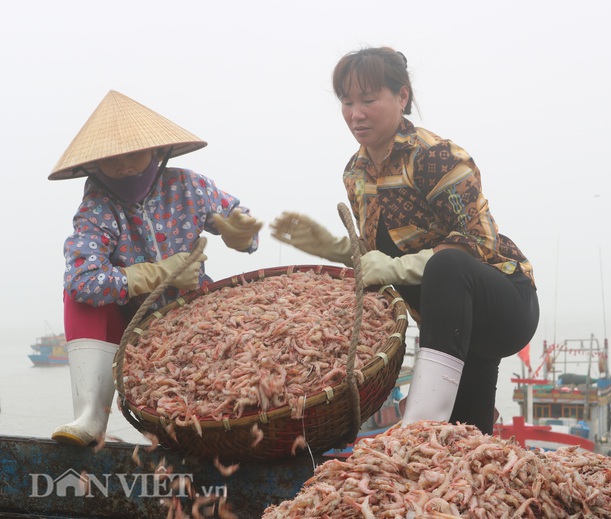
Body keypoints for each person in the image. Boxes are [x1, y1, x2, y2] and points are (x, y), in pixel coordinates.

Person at [270, 47, 539, 435]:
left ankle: (417, 429)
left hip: (503, 303)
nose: (355, 113)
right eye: (346, 102)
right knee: (466, 438)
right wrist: (335, 248)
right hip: (450, 326)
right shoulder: (355, 173)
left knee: (447, 266)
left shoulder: (435, 157)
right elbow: (376, 257)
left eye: (368, 99)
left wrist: (395, 268)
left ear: (402, 96)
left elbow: (478, 242)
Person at [49, 90, 262, 446]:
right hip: (137, 324)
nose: (125, 166)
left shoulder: (189, 186)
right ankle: (90, 415)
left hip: (198, 309)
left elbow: (248, 235)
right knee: (77, 299)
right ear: (95, 165)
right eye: (112, 159)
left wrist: (237, 231)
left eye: (133, 152)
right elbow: (81, 279)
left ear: (157, 149)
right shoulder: (98, 208)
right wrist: (155, 274)